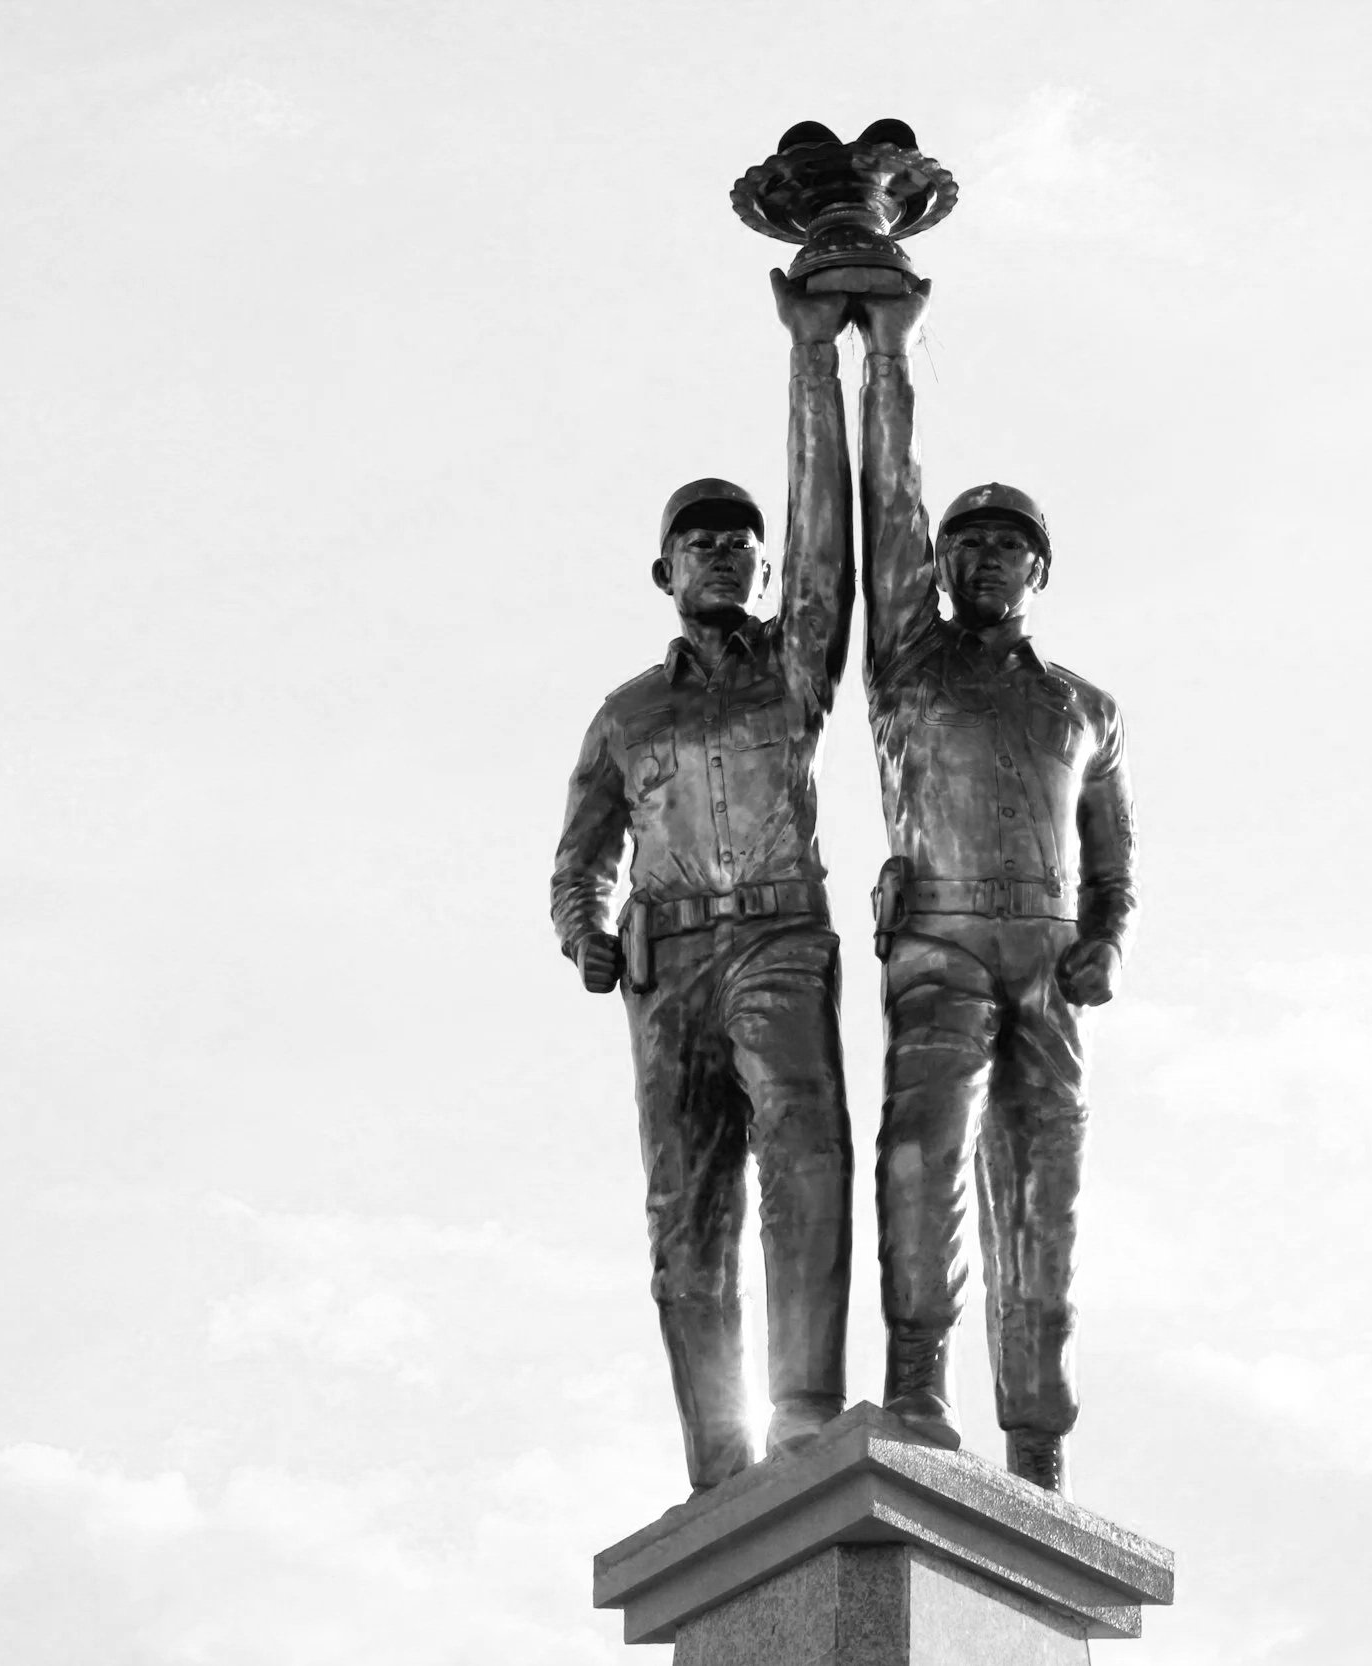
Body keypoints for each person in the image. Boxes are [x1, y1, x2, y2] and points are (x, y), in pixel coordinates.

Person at [549, 275, 857, 1496]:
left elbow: (827, 536)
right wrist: (582, 932)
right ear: (663, 567)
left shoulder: (794, 668)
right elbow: (580, 851)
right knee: (687, 1214)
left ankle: (803, 1411)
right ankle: (716, 1466)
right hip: (664, 962)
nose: (725, 550)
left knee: (805, 1141)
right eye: (701, 539)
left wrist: (810, 363)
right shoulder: (627, 711)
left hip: (780, 934)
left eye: (741, 539)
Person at [851, 282, 1138, 1496]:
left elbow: (1113, 852)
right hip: (944, 946)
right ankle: (917, 1379)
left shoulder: (1085, 706)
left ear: (1039, 569)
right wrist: (888, 355)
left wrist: (1107, 937)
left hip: (1047, 960)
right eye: (964, 543)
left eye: (1006, 543)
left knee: (1045, 1197)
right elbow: (888, 499)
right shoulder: (907, 660)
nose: (982, 557)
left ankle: (1039, 1434)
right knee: (920, 1158)